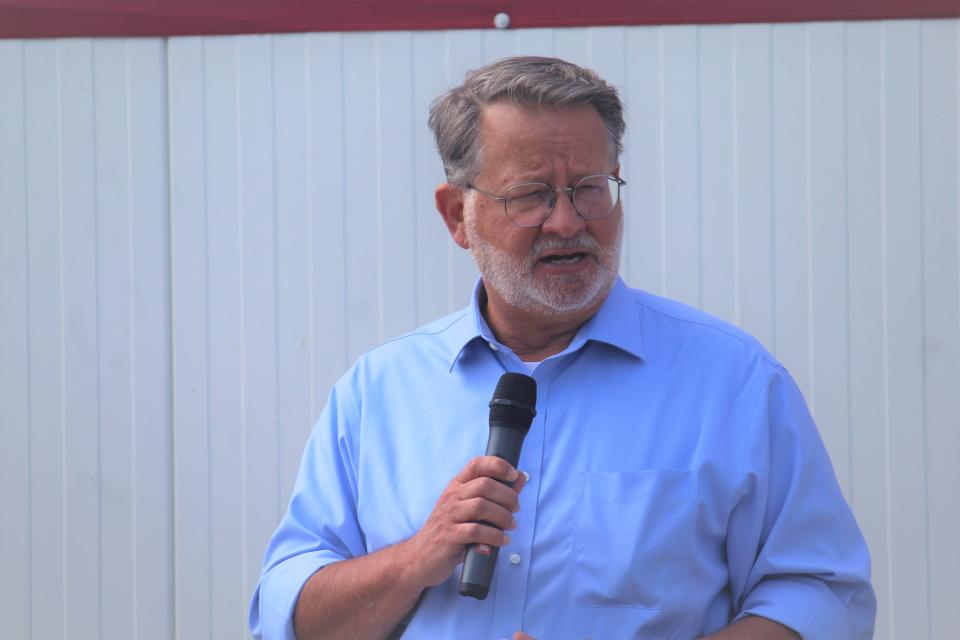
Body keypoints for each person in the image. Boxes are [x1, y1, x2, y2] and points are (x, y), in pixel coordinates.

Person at [249, 56, 876, 640]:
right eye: (531, 195)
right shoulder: (376, 391)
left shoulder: (735, 381)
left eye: (590, 187)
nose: (569, 222)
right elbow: (288, 613)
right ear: (456, 217)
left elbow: (822, 596)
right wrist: (417, 558)